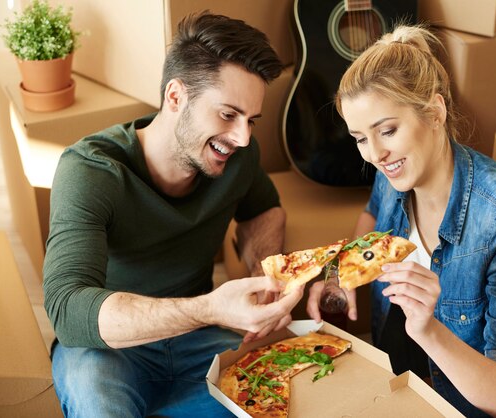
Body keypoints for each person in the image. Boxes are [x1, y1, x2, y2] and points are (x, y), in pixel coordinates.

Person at [307, 24, 496, 417]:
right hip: (425, 379)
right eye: (360, 138)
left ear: (434, 112)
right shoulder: (392, 169)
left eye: (388, 131)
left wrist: (427, 328)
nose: (375, 153)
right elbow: (372, 217)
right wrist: (337, 276)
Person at [43, 12, 304, 418]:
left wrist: (265, 275)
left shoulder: (239, 156)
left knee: (291, 400)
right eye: (227, 114)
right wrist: (210, 308)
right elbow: (68, 310)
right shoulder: (91, 170)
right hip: (107, 348)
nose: (243, 137)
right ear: (176, 97)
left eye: (251, 120)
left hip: (198, 340)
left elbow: (264, 211)